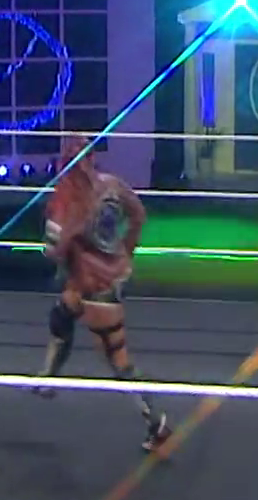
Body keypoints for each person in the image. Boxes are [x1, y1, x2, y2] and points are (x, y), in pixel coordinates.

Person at [33, 135, 170, 452]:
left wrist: (67, 235)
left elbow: (52, 252)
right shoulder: (112, 186)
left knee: (119, 361)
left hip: (98, 288)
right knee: (63, 310)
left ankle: (157, 423)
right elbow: (138, 214)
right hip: (99, 278)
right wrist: (126, 251)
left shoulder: (65, 202)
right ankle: (48, 376)